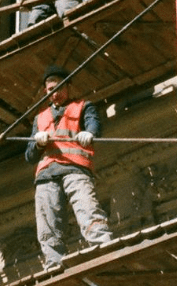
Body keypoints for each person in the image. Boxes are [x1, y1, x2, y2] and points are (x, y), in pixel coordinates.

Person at [26, 64, 113, 270]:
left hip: (75, 169)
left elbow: (94, 124)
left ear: (68, 87)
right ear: (45, 92)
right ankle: (53, 262)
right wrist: (37, 143)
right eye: (50, 90)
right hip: (47, 174)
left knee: (86, 207)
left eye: (59, 87)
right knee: (48, 221)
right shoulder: (40, 118)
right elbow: (30, 155)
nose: (55, 93)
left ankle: (102, 243)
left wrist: (89, 133)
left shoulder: (83, 106)